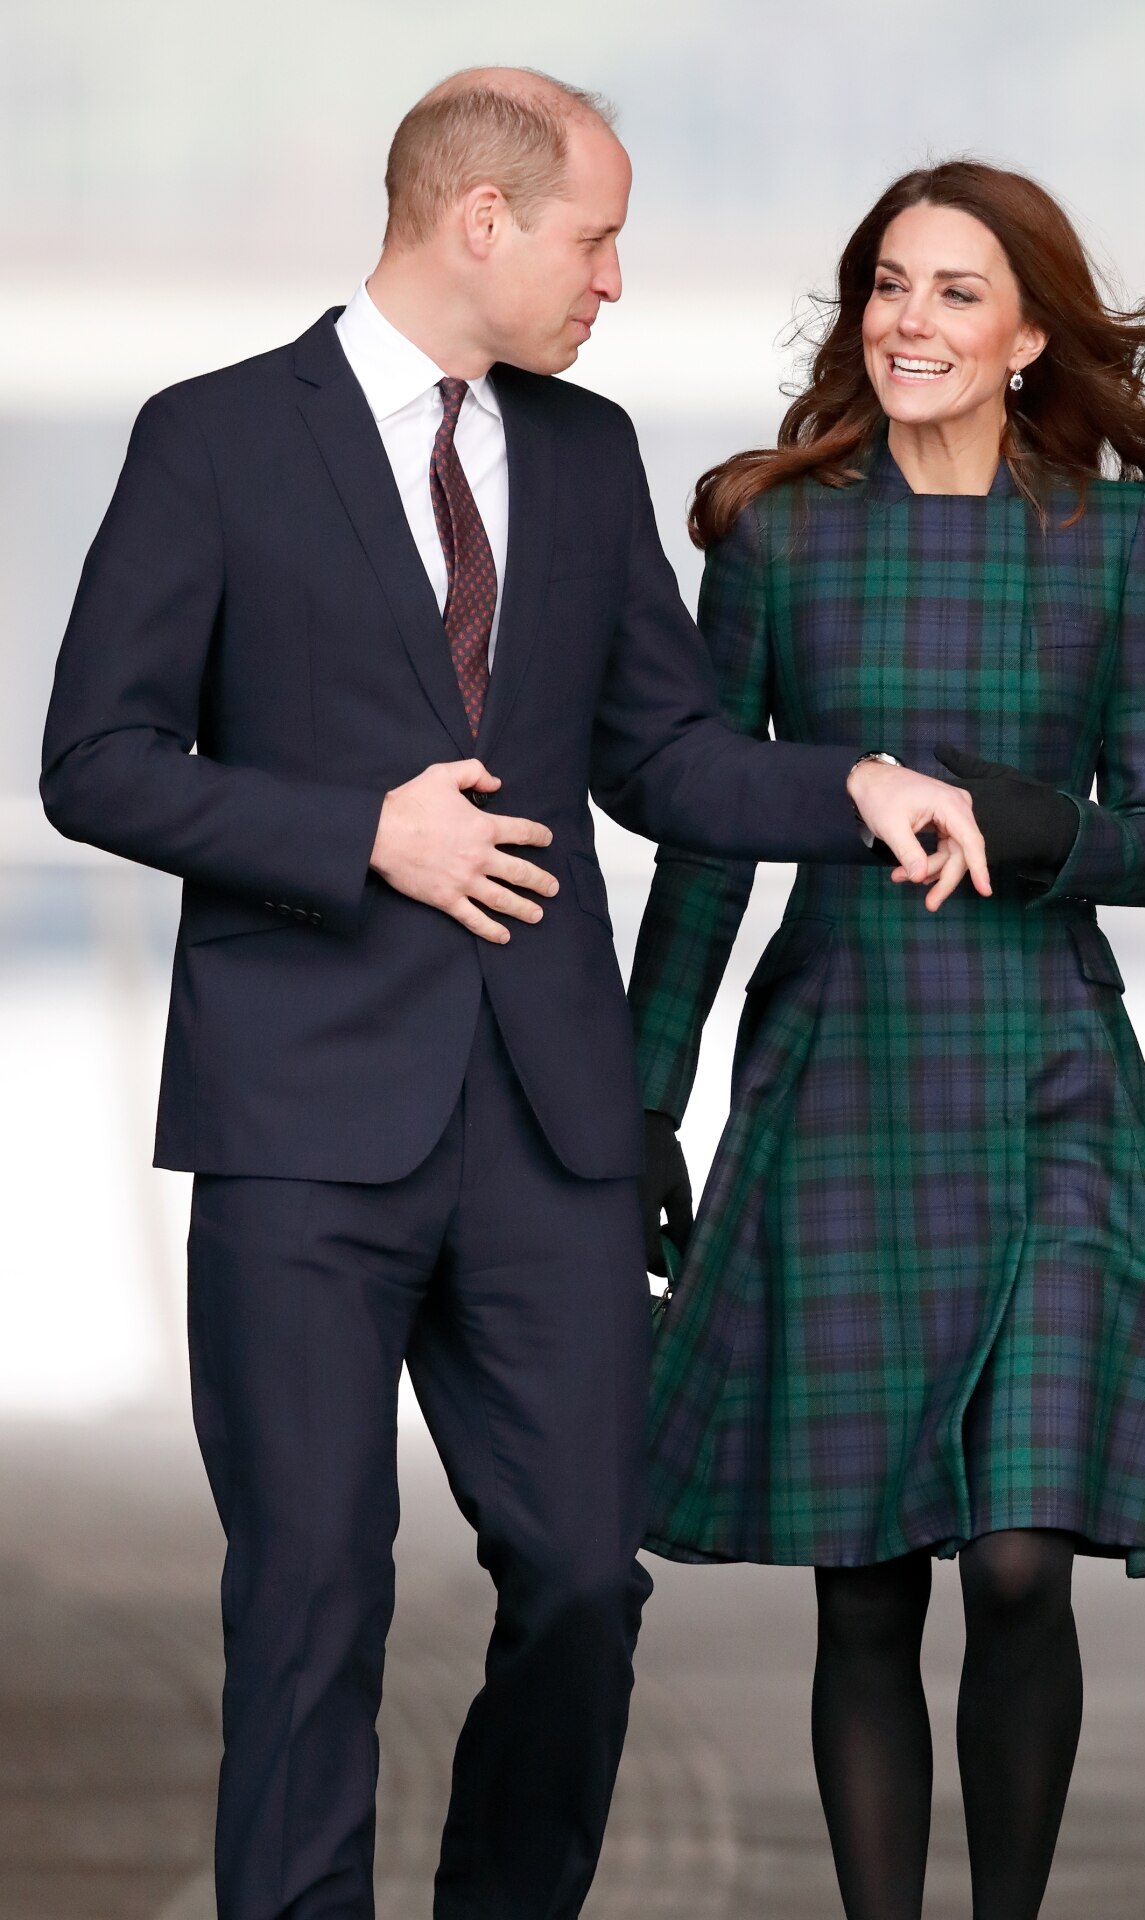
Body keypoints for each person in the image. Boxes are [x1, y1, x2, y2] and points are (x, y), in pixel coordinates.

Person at [39, 71, 989, 1920]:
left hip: (545, 1131)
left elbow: (670, 757)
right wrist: (354, 834)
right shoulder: (214, 440)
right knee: (311, 1592)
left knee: (581, 1581)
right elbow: (98, 759)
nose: (613, 278)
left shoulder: (580, 450)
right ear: (482, 220)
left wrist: (855, 784)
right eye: (594, 235)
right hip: (303, 1130)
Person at [633, 160, 1145, 1920]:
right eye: (888, 285)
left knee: (1026, 1561)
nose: (910, 319)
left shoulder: (1112, 533)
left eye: (955, 291)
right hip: (841, 1078)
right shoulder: (775, 530)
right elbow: (702, 835)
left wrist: (1021, 823)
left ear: (1028, 332)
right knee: (870, 1581)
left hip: (1052, 1076)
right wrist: (640, 1098)